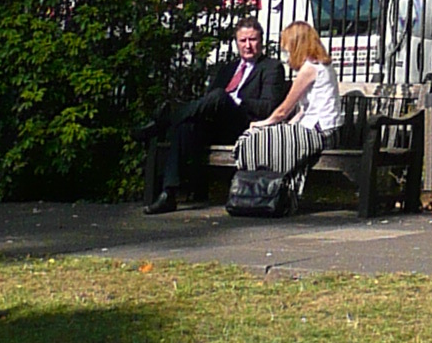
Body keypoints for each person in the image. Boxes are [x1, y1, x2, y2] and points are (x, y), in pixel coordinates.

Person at [147, 11, 286, 210]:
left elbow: (268, 106)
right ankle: (169, 193)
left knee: (221, 95)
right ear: (237, 43)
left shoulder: (271, 67)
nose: (248, 45)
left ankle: (166, 121)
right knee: (186, 126)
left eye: (253, 40)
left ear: (261, 41)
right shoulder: (227, 68)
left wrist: (236, 100)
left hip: (244, 125)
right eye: (243, 40)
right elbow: (208, 102)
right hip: (215, 125)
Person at [227, 20, 346, 191]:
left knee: (256, 138)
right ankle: (267, 186)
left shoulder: (309, 69)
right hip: (323, 129)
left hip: (321, 133)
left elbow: (283, 110)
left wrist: (263, 124)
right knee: (266, 137)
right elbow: (305, 109)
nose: (287, 52)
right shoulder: (321, 64)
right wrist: (287, 126)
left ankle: (263, 188)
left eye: (288, 47)